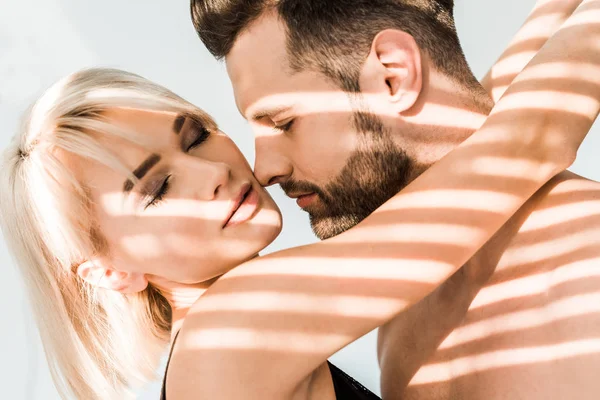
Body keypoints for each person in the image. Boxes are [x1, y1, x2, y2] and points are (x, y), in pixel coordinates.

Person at [190, 0, 600, 398]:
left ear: (393, 76)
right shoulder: (403, 310)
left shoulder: (584, 268)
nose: (264, 170)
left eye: (284, 122)